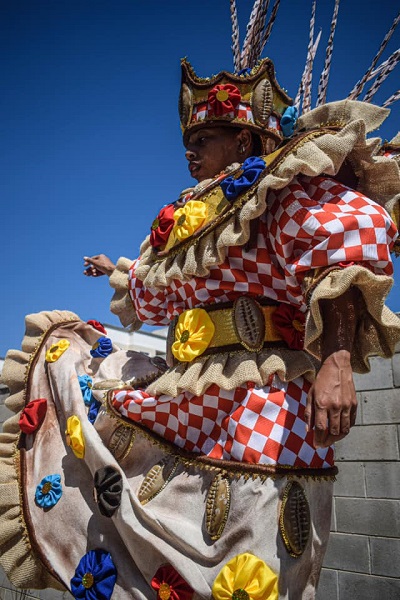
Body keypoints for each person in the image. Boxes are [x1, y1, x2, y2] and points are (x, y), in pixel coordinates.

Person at [1, 12, 400, 600]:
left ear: (243, 140)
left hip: (270, 401)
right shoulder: (190, 223)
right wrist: (116, 270)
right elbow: (157, 292)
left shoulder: (275, 196)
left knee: (259, 556)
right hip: (191, 401)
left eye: (203, 139)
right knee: (68, 356)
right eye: (187, 141)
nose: (191, 151)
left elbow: (349, 234)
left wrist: (337, 359)